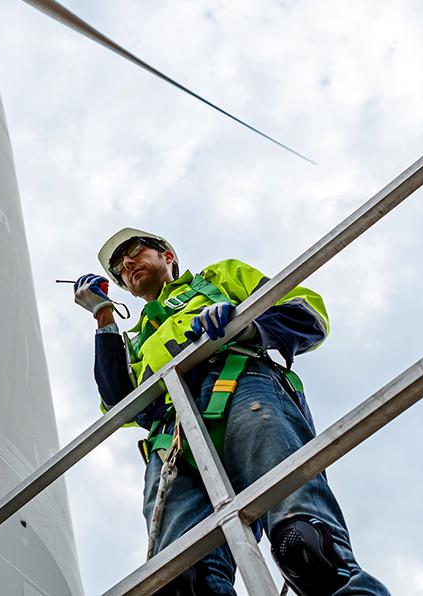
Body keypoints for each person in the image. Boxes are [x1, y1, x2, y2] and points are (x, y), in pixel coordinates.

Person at [74, 227, 389, 596]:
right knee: (182, 578)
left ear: (167, 256)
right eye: (119, 268)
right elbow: (118, 402)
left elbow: (307, 314)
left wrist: (248, 326)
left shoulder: (218, 279)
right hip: (171, 436)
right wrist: (103, 314)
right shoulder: (141, 336)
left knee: (305, 545)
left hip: (242, 387)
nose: (126, 264)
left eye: (133, 251)